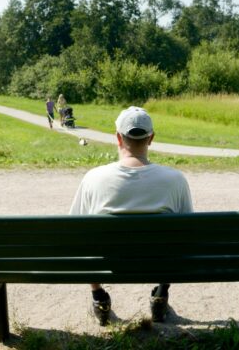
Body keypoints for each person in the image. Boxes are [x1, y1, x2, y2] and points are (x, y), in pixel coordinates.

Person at [69, 106, 193, 326]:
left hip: (110, 263)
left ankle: (99, 298)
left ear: (118, 138)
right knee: (175, 240)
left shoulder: (93, 178)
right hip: (157, 262)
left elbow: (74, 231)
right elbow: (187, 234)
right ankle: (161, 294)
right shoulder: (175, 180)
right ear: (151, 138)